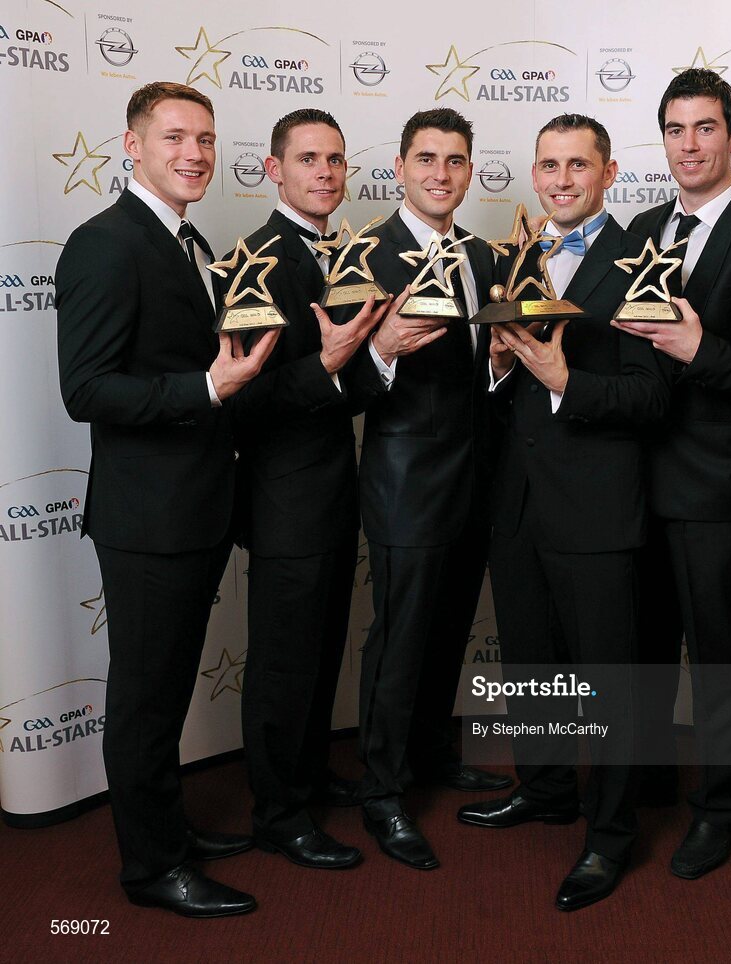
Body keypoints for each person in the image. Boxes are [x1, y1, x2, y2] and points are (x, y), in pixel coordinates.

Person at [55, 81, 279, 917]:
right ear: (132, 144)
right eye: (176, 137)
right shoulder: (106, 243)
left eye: (207, 139)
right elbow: (88, 391)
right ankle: (151, 870)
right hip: (147, 518)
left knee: (165, 692)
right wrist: (208, 387)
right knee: (145, 702)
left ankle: (169, 832)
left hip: (192, 510)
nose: (195, 153)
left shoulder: (188, 240)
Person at [457, 113, 670, 911]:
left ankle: (609, 836)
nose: (560, 180)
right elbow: (497, 383)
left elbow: (653, 397)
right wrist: (497, 362)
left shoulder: (644, 263)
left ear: (609, 174)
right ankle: (544, 789)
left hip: (600, 509)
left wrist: (561, 378)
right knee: (532, 662)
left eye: (578, 166)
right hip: (518, 504)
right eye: (548, 166)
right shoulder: (515, 255)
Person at [613, 68, 731, 879]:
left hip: (714, 482)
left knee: (721, 652)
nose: (688, 145)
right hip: (628, 481)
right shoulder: (641, 227)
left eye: (703, 129)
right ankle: (653, 776)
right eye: (674, 130)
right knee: (643, 644)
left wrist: (701, 351)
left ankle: (722, 807)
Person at [226, 108, 398, 870]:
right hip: (283, 496)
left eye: (335, 159)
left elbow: (340, 388)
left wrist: (380, 357)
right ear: (274, 169)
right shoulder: (255, 260)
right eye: (307, 160)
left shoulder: (347, 250)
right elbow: (244, 397)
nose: (325, 173)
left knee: (321, 647)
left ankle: (308, 776)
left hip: (331, 490)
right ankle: (277, 813)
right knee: (284, 662)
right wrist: (331, 365)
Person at [347, 107, 509, 870]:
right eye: (426, 159)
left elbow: (488, 368)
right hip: (405, 476)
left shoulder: (488, 254)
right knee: (403, 635)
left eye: (454, 160)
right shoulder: (367, 253)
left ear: (469, 171)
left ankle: (433, 754)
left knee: (448, 628)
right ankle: (381, 789)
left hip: (476, 474)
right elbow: (340, 381)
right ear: (401, 168)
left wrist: (503, 364)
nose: (441, 173)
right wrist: (379, 347)